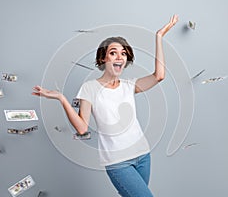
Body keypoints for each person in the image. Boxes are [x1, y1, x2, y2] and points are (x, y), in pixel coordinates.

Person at [32, 14, 178, 197]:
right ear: (103, 59)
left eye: (123, 53)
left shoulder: (129, 85)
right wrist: (61, 98)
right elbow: (82, 127)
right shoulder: (89, 88)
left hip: (143, 156)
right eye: (113, 52)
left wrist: (159, 37)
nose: (120, 57)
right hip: (118, 162)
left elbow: (159, 76)